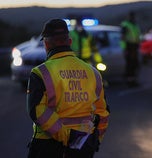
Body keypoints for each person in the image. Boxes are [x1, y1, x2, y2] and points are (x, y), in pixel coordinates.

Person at [26, 19, 110, 158]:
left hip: (47, 146)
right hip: (83, 145)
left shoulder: (40, 72)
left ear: (46, 44)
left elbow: (37, 111)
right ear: (70, 42)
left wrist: (67, 136)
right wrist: (95, 140)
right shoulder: (93, 73)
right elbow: (103, 111)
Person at [120, 11, 141, 87]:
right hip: (129, 47)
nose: (132, 18)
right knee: (130, 64)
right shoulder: (126, 25)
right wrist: (124, 49)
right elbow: (122, 38)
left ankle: (133, 80)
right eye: (131, 16)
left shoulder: (134, 25)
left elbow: (137, 36)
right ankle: (130, 81)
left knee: (135, 64)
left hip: (135, 47)